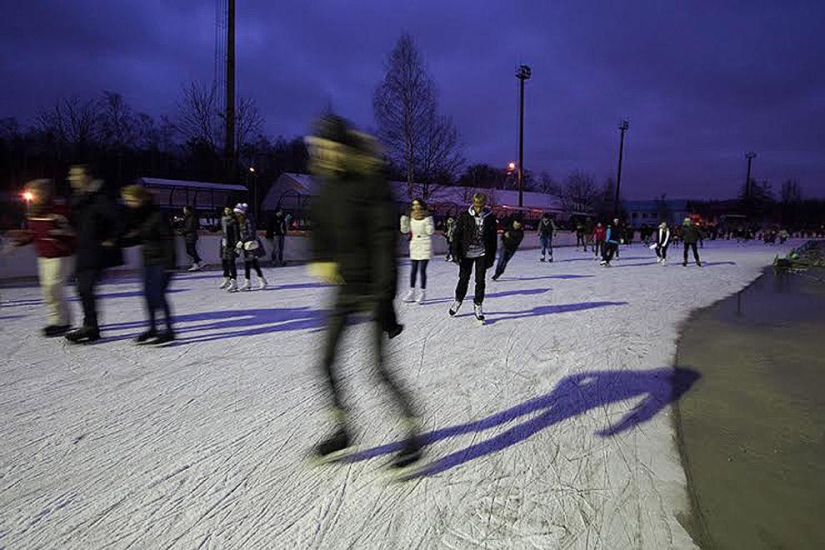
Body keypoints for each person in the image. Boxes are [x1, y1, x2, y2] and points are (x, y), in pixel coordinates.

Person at [306, 113, 421, 468]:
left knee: (378, 370)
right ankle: (343, 430)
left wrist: (384, 297)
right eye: (318, 149)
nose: (323, 155)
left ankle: (413, 437)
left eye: (329, 148)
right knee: (324, 362)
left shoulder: (372, 182)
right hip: (345, 287)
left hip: (374, 287)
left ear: (343, 147)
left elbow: (385, 243)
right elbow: (319, 230)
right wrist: (322, 257)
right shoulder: (325, 188)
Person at [65, 164, 123, 343]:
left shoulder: (101, 197)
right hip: (83, 250)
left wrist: (112, 238)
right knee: (82, 289)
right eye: (70, 175)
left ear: (87, 176)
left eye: (75, 175)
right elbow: (79, 223)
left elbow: (118, 220)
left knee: (85, 288)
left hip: (97, 252)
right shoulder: (79, 199)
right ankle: (91, 326)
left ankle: (91, 326)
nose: (70, 178)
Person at [12, 179, 75, 336]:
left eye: (38, 191)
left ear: (47, 192)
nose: (35, 195)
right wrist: (20, 240)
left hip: (61, 255)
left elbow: (72, 232)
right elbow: (34, 234)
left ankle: (61, 322)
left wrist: (61, 235)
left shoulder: (59, 211)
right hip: (44, 256)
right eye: (33, 192)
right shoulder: (33, 212)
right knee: (49, 290)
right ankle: (58, 320)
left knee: (53, 287)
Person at [119, 184, 176, 344]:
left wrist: (170, 264)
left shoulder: (158, 214)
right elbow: (139, 237)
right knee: (147, 296)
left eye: (130, 200)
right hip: (147, 261)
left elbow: (168, 239)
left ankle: (169, 330)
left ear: (140, 199)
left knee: (158, 295)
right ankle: (152, 328)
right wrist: (118, 242)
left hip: (162, 261)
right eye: (126, 200)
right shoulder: (138, 215)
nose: (128, 203)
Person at [449, 193, 498, 322]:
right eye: (476, 206)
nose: (478, 209)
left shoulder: (490, 218)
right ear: (473, 204)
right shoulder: (465, 216)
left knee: (480, 280)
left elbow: (493, 239)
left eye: (481, 206)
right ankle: (458, 300)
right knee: (463, 279)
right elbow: (456, 236)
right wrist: (455, 252)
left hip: (482, 253)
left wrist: (491, 257)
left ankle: (478, 304)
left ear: (484, 205)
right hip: (467, 254)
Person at [400, 198, 434, 304]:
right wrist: (404, 220)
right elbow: (404, 230)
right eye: (413, 205)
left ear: (421, 205)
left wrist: (428, 221)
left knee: (422, 270)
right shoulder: (411, 216)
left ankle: (422, 293)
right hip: (415, 243)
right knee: (413, 270)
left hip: (425, 243)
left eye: (417, 204)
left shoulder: (427, 216)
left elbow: (430, 231)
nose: (415, 207)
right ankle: (412, 292)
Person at [234, 203, 268, 290]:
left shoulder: (248, 220)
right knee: (247, 263)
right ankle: (248, 282)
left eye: (238, 213)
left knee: (253, 263)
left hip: (251, 244)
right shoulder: (242, 220)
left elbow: (251, 234)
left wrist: (241, 241)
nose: (236, 214)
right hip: (246, 244)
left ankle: (261, 281)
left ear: (242, 213)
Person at [218, 206, 239, 291]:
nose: (227, 211)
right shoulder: (222, 219)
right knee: (224, 262)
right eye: (226, 209)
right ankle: (226, 279)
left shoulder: (234, 221)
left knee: (231, 263)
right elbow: (219, 228)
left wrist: (237, 245)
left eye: (229, 209)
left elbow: (236, 233)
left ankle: (234, 282)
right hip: (223, 243)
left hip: (231, 244)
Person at [179, 205, 203, 271]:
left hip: (191, 236)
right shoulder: (187, 217)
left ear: (188, 210)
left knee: (190, 250)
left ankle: (198, 262)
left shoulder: (191, 217)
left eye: (184, 209)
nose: (183, 211)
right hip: (189, 236)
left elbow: (189, 227)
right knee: (190, 250)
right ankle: (197, 263)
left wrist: (182, 232)